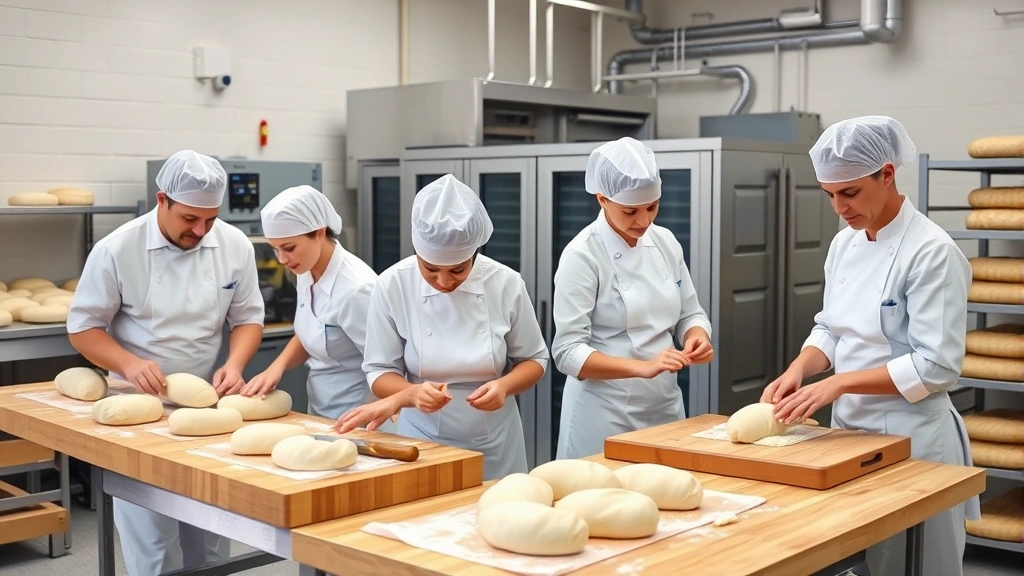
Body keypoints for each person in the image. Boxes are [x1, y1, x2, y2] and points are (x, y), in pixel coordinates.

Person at [761, 116, 978, 576]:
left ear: (887, 173)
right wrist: (801, 367)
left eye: (850, 192)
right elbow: (833, 329)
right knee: (864, 562)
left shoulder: (931, 252)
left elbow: (936, 367)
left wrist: (839, 383)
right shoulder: (845, 245)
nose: (839, 208)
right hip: (849, 434)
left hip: (913, 438)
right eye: (830, 195)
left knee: (915, 564)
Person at [67, 150, 265, 576]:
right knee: (155, 542)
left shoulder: (233, 245)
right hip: (137, 409)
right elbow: (83, 328)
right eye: (190, 219)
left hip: (205, 407)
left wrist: (234, 363)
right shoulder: (118, 249)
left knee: (211, 537)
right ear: (162, 200)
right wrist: (127, 362)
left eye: (210, 220)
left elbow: (248, 318)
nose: (200, 230)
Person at [334, 174, 548, 480]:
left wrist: (504, 386)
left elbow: (535, 360)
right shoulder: (393, 284)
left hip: (496, 439)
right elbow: (378, 371)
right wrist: (411, 394)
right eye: (430, 269)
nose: (444, 282)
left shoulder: (505, 283)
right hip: (421, 438)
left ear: (475, 253)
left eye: (458, 270)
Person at [552, 137, 713, 459]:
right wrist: (642, 367)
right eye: (630, 211)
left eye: (652, 207)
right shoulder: (583, 255)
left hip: (664, 402)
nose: (644, 221)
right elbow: (567, 353)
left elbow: (690, 313)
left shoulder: (665, 241)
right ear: (602, 199)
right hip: (603, 410)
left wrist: (698, 336)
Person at [241, 185, 391, 429]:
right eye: (275, 249)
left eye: (288, 248)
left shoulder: (356, 290)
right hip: (321, 412)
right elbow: (315, 330)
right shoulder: (306, 268)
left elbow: (388, 365)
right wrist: (276, 368)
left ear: (319, 233)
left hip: (361, 418)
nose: (282, 259)